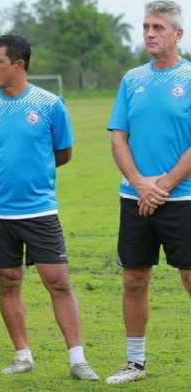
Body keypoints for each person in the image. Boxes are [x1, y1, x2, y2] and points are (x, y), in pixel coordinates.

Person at [0, 34, 98, 380]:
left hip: (40, 210)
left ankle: (77, 359)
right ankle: (22, 355)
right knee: (8, 280)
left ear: (19, 64)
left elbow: (63, 153)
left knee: (57, 280)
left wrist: (35, 175)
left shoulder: (49, 104)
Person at [105, 1, 191, 384]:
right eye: (145, 27)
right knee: (134, 278)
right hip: (135, 196)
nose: (150, 33)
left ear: (178, 34)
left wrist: (165, 185)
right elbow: (119, 137)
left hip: (183, 197)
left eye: (158, 27)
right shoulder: (131, 79)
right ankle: (135, 363)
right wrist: (140, 183)